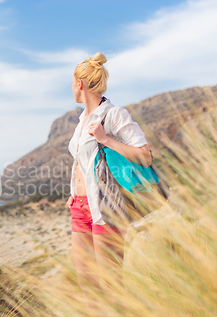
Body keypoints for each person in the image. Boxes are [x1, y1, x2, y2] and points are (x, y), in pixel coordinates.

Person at [67, 52, 152, 302]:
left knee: (112, 288)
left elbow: (145, 156)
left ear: (80, 84)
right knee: (89, 289)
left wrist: (106, 140)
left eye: (72, 84)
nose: (72, 89)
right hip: (79, 208)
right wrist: (73, 194)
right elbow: (81, 160)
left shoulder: (115, 115)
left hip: (107, 207)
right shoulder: (81, 121)